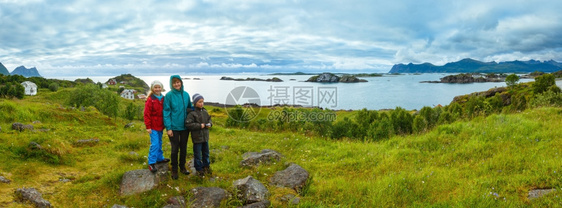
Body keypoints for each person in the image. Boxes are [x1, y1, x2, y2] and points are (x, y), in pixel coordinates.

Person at [163, 75, 192, 180]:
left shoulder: (186, 95)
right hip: (174, 127)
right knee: (175, 149)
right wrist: (168, 128)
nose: (176, 84)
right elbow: (166, 112)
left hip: (185, 127)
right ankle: (174, 170)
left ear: (181, 83)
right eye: (174, 82)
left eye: (178, 82)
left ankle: (182, 167)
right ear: (171, 84)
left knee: (183, 148)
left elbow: (190, 108)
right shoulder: (169, 95)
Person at [143, 80, 169, 173]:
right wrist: (148, 126)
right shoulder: (150, 99)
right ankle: (151, 162)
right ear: (152, 89)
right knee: (154, 144)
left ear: (161, 88)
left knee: (159, 142)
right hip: (153, 126)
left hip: (160, 125)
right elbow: (146, 114)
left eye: (159, 87)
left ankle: (159, 158)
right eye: (155, 87)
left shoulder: (163, 98)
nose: (157, 89)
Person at [185, 93, 212, 177]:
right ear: (195, 103)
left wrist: (210, 124)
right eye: (200, 102)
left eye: (202, 102)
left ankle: (206, 166)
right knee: (197, 155)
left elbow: (209, 120)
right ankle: (199, 169)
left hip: (205, 137)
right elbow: (188, 124)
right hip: (197, 138)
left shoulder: (205, 111)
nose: (201, 103)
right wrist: (200, 126)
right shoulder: (192, 114)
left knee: (206, 153)